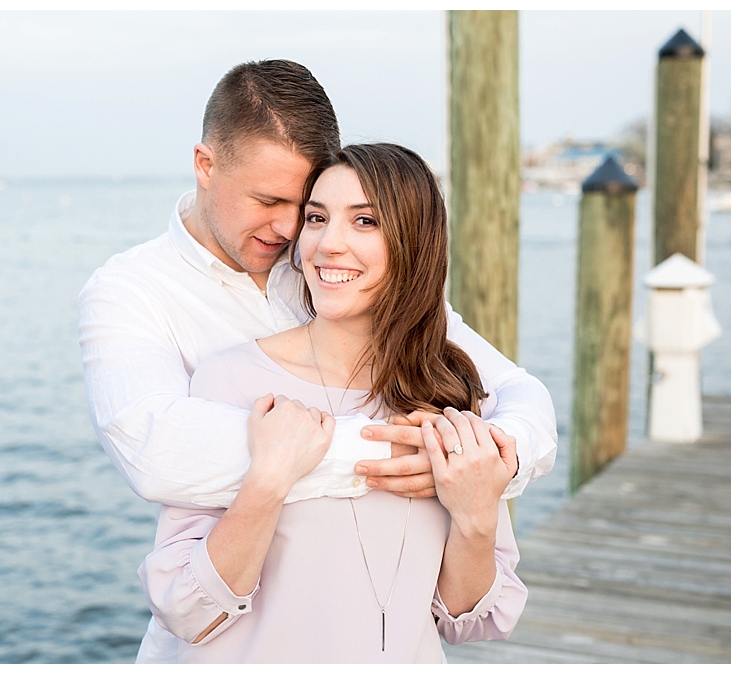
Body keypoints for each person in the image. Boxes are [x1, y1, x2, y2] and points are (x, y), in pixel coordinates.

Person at [77, 59, 556, 659]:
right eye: (272, 202)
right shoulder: (134, 294)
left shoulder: (409, 347)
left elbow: (519, 395)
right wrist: (390, 451)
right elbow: (153, 448)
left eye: (303, 207)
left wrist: (481, 463)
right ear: (205, 165)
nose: (290, 232)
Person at [137, 143, 527, 662]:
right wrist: (268, 481)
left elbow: (471, 621)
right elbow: (185, 610)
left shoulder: (450, 389)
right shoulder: (232, 379)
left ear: (415, 242)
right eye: (316, 219)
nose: (327, 244)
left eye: (364, 221)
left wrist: (475, 516)